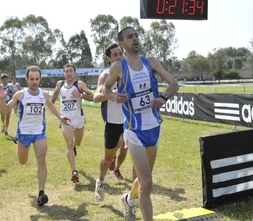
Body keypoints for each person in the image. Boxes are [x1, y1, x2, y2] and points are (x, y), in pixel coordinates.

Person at [104, 27, 179, 221]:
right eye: (130, 37)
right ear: (122, 44)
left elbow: (173, 84)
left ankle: (129, 199)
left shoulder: (151, 62)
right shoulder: (118, 67)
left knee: (142, 182)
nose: (135, 39)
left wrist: (163, 97)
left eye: (137, 35)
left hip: (153, 127)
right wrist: (114, 96)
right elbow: (106, 88)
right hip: (134, 131)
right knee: (148, 183)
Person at [0, 65, 70, 207]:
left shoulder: (43, 94)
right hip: (23, 133)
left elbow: (50, 105)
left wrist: (60, 117)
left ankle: (41, 193)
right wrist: (3, 99)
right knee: (22, 161)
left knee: (41, 159)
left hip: (39, 132)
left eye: (37, 79)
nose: (35, 82)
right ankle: (19, 143)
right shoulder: (20, 94)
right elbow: (5, 111)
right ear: (27, 79)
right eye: (32, 79)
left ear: (40, 78)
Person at [93, 43, 128, 201]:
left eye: (120, 54)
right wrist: (112, 94)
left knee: (125, 150)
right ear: (108, 58)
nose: (119, 57)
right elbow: (96, 98)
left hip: (129, 121)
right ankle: (100, 181)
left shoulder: (128, 72)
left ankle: (117, 169)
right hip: (113, 122)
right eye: (115, 55)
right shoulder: (105, 75)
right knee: (108, 158)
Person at [51, 63, 94, 183]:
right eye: (67, 71)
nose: (69, 73)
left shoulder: (79, 84)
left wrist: (80, 95)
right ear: (64, 73)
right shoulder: (60, 85)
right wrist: (52, 111)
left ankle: (74, 148)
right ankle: (74, 171)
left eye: (71, 71)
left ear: (74, 73)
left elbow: (93, 96)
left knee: (77, 143)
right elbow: (52, 100)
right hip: (66, 119)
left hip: (78, 119)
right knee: (69, 143)